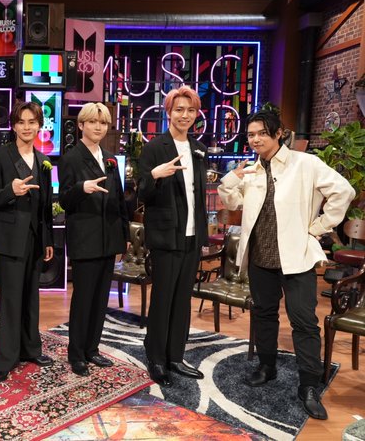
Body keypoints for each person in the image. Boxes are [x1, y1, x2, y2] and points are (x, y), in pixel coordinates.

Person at [217, 109, 355, 420]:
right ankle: (267, 366)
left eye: (262, 133)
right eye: (251, 134)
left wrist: (319, 227)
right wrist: (233, 178)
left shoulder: (305, 164)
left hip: (296, 259)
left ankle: (309, 385)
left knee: (304, 322)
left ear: (279, 133)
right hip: (260, 259)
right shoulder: (252, 171)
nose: (255, 139)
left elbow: (344, 191)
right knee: (264, 315)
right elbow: (232, 202)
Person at [138, 85, 208, 387]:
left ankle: (176, 356)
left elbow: (198, 196)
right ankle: (156, 357)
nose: (185, 115)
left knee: (182, 299)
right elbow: (140, 192)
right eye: (179, 109)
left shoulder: (198, 149)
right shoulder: (155, 147)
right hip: (166, 235)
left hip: (192, 234)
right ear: (168, 112)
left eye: (190, 110)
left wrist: (202, 235)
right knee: (163, 298)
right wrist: (155, 175)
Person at [0, 101, 54, 382]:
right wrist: (10, 191)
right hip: (10, 239)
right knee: (11, 300)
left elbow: (46, 206)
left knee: (30, 298)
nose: (27, 127)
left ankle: (30, 349)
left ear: (39, 126)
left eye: (32, 122)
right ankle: (5, 359)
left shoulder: (43, 160)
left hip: (35, 239)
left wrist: (47, 239)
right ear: (13, 126)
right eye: (21, 122)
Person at [59, 102, 130, 377]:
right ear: (81, 125)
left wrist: (123, 236)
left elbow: (120, 200)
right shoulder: (71, 158)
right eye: (92, 122)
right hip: (85, 239)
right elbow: (64, 200)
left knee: (101, 299)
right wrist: (82, 188)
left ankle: (92, 349)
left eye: (102, 123)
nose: (98, 127)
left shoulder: (110, 159)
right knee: (84, 299)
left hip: (108, 238)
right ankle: (77, 353)